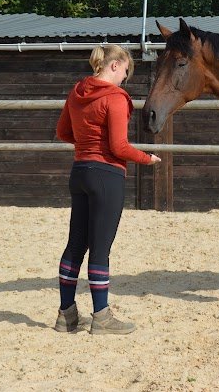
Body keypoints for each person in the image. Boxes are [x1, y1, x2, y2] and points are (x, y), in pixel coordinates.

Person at [54, 45, 161, 335]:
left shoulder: (78, 91)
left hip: (80, 172)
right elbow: (118, 147)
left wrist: (87, 147)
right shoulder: (115, 98)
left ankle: (66, 315)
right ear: (114, 65)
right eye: (126, 70)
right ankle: (101, 316)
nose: (125, 77)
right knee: (100, 249)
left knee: (75, 245)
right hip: (106, 176)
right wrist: (146, 158)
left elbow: (63, 132)